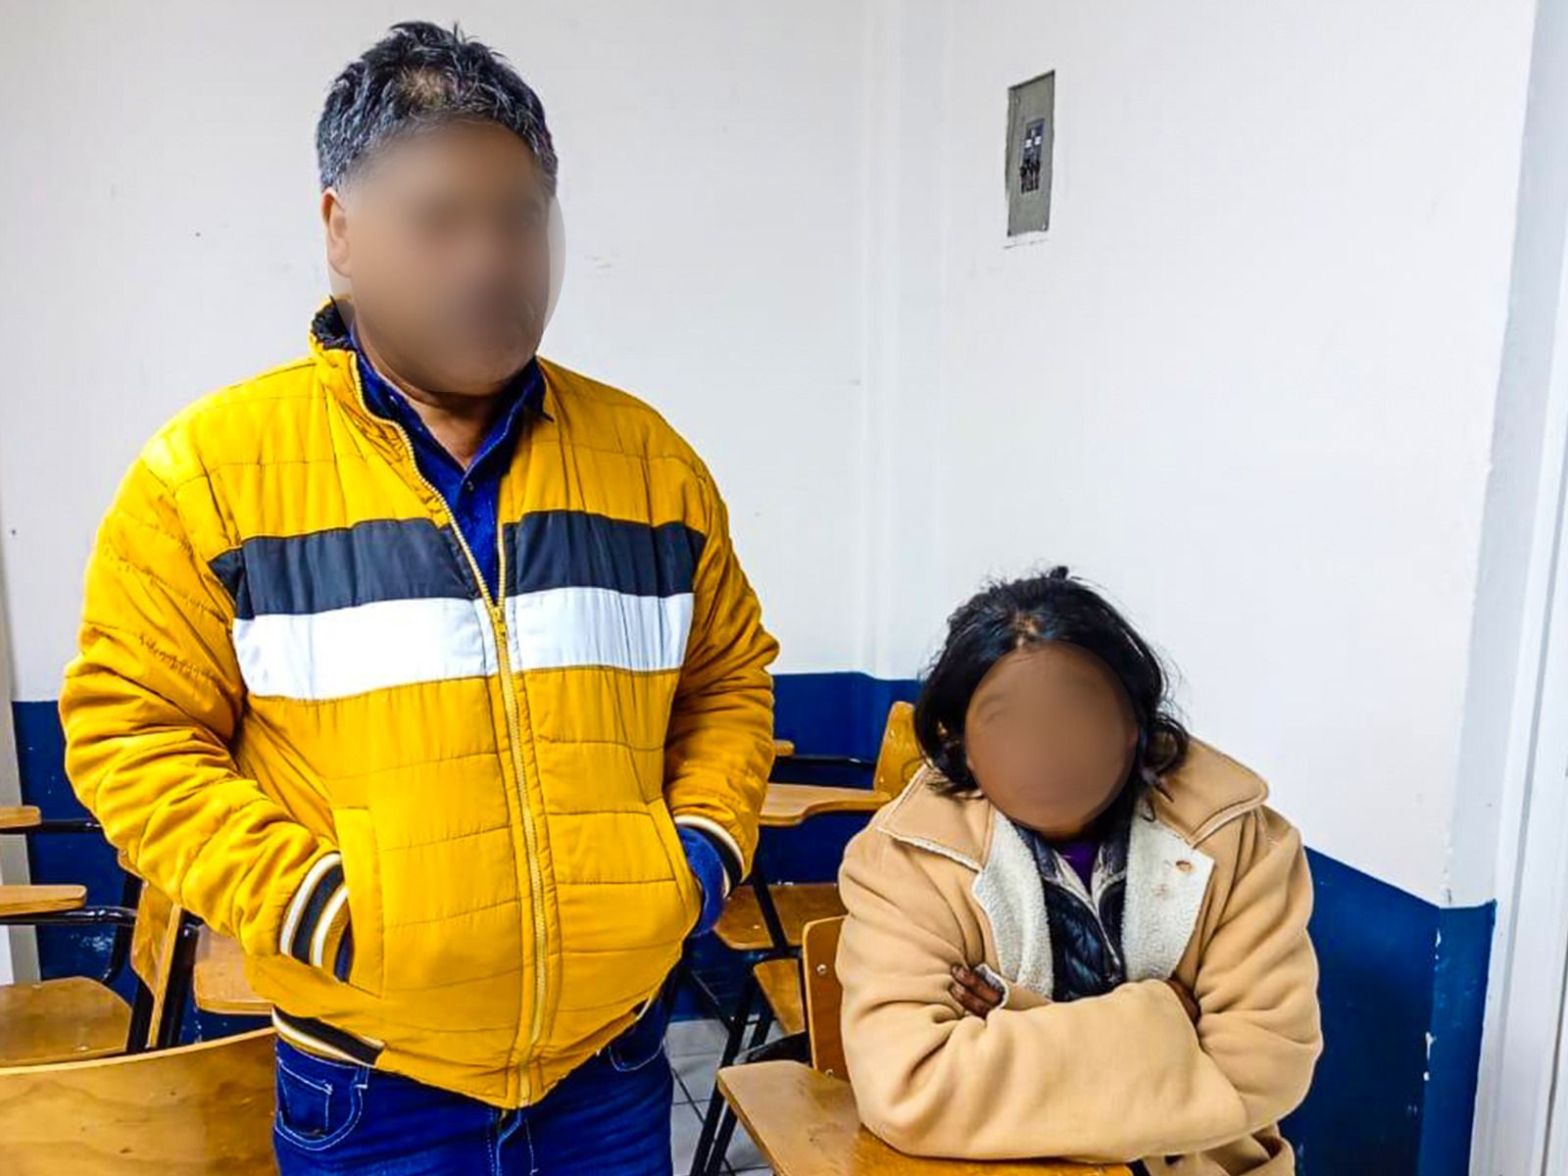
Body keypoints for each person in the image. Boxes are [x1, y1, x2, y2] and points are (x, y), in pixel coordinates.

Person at [59, 22, 777, 1175]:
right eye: (439, 221)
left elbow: (727, 682)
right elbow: (129, 740)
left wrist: (692, 860)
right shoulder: (211, 476)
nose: (488, 261)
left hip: (612, 1066)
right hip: (372, 1087)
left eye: (519, 218)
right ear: (341, 230)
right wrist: (327, 910)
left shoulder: (649, 464)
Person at [837, 568, 1320, 1174]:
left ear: (1132, 725)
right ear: (961, 746)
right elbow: (911, 1088)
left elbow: (1264, 1067)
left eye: (1076, 709)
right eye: (1006, 720)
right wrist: (1169, 1020)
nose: (1044, 749)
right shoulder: (905, 859)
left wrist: (1016, 1018)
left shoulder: (1237, 838)